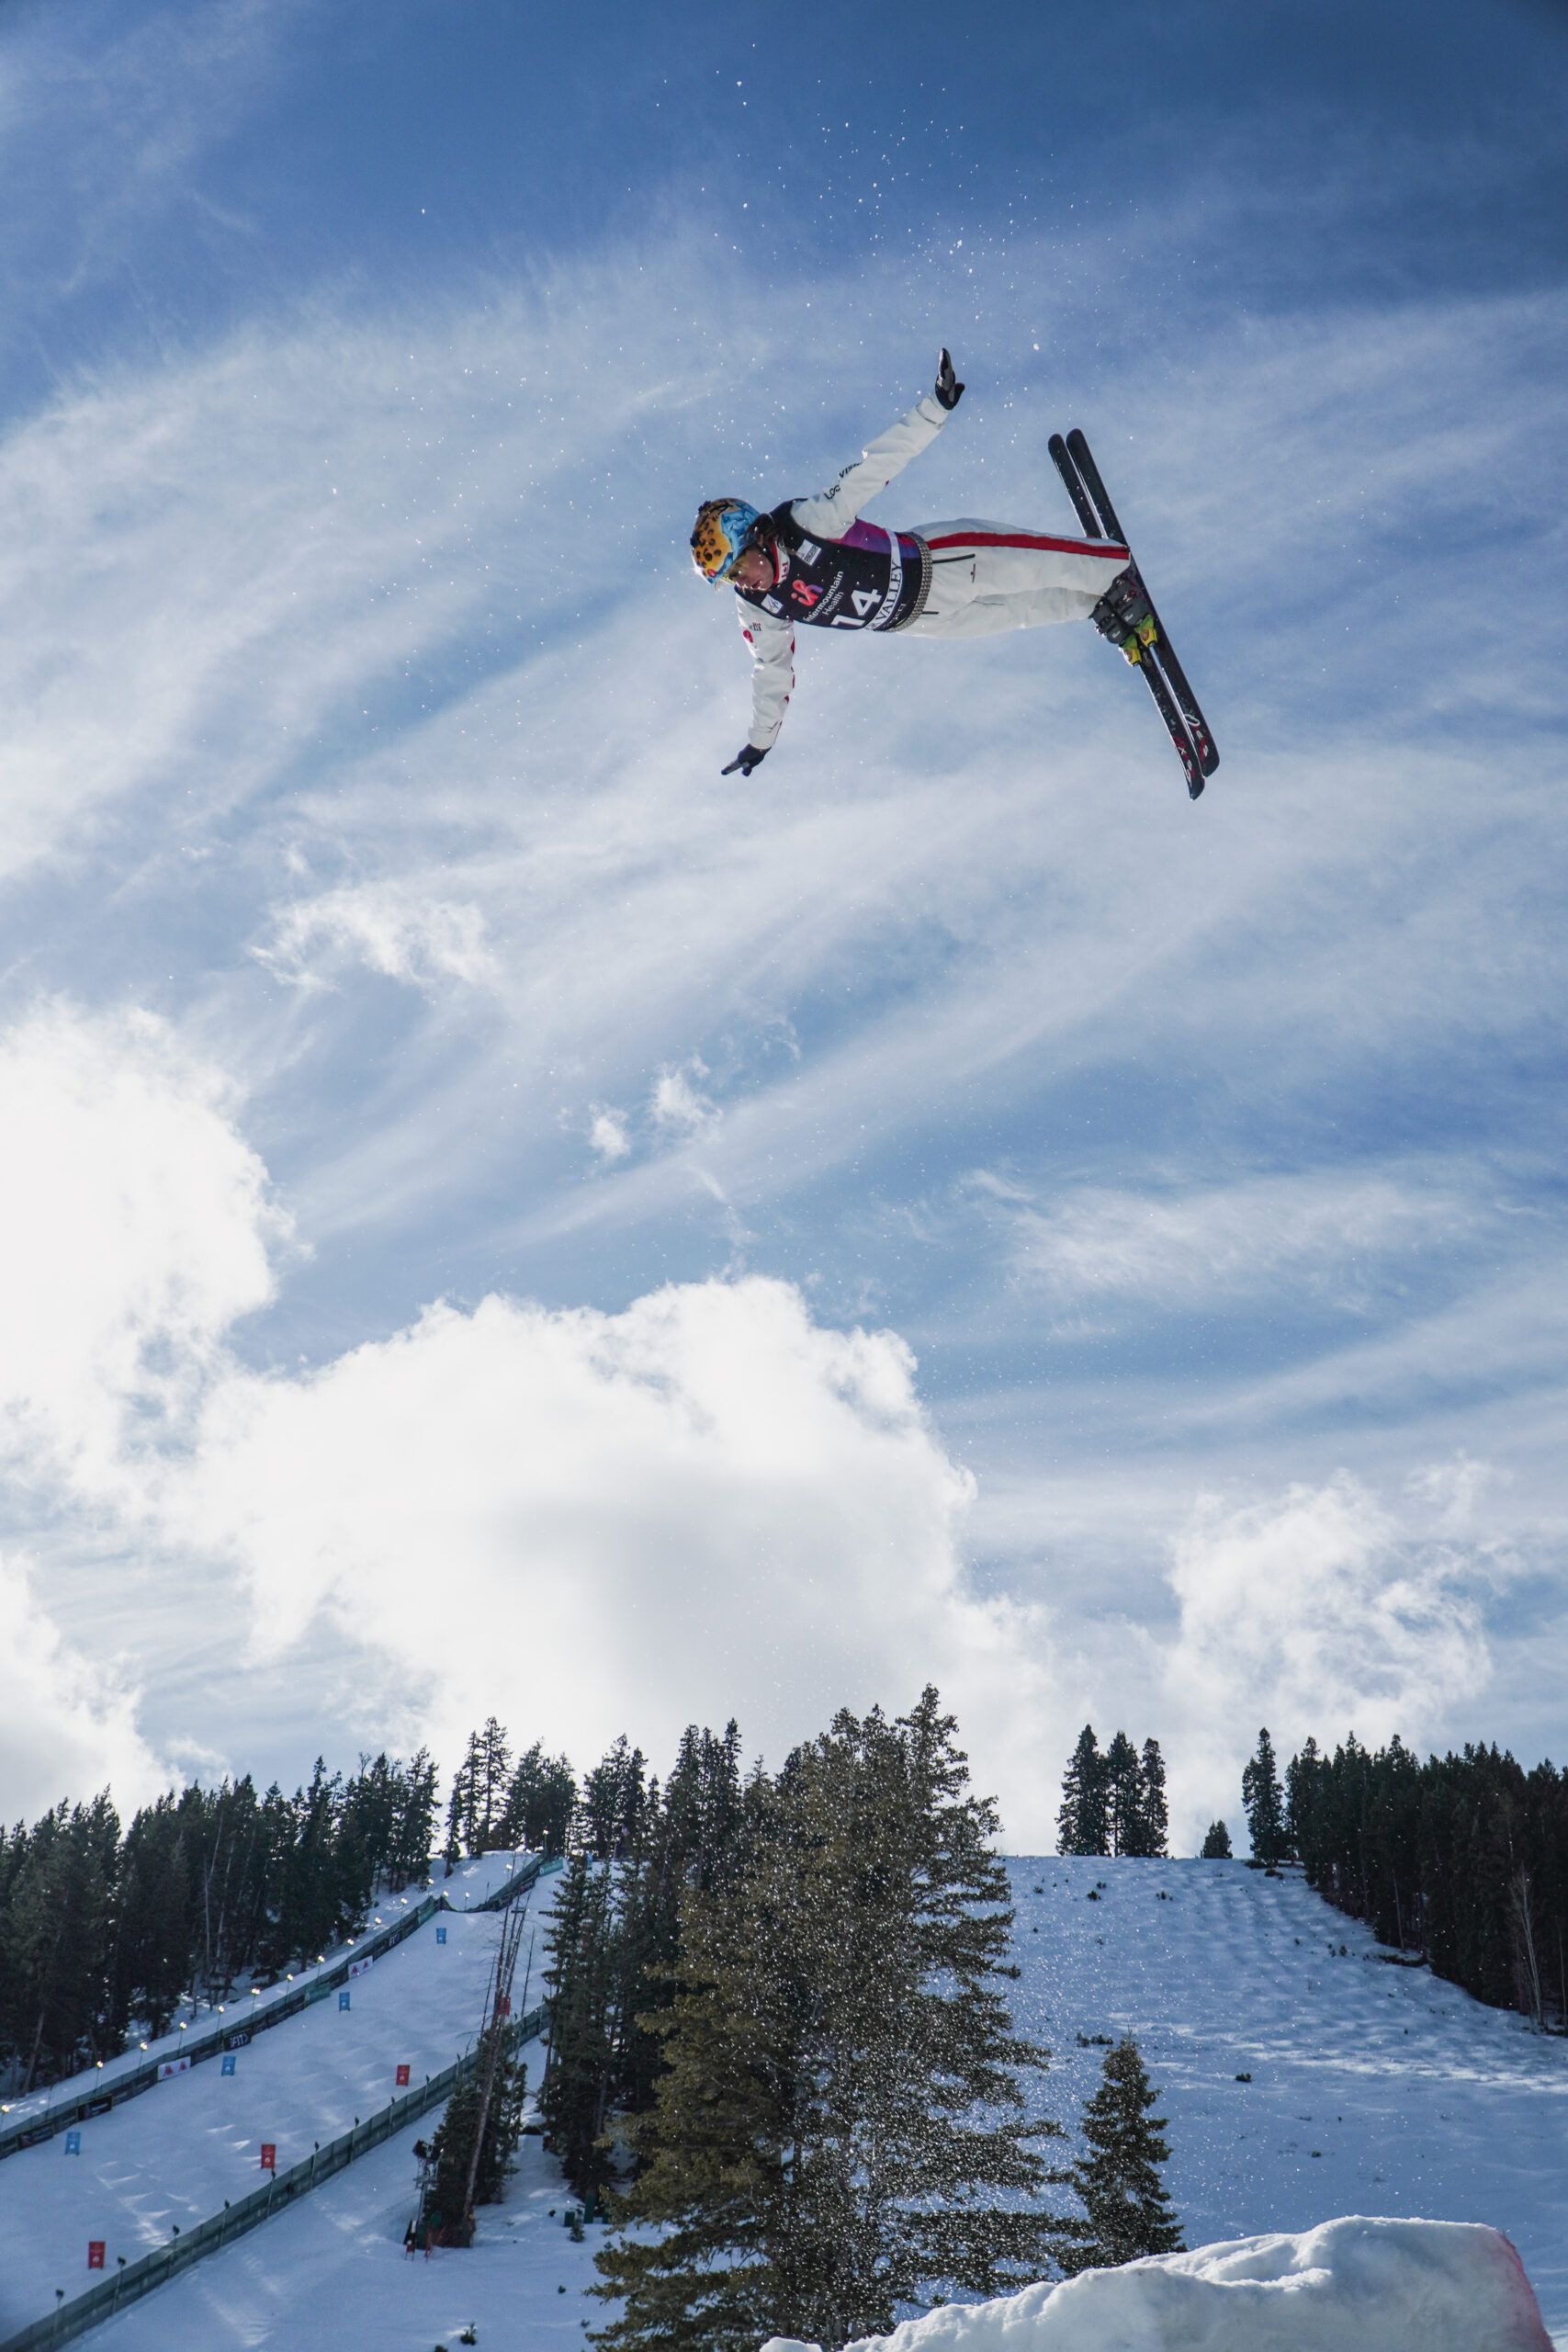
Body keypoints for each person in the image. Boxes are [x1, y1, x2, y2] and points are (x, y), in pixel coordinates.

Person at [690, 350, 1154, 775]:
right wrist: (760, 742)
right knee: (1025, 612)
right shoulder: (757, 607)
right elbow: (771, 671)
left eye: (740, 566)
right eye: (731, 579)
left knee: (1032, 564)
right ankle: (1098, 607)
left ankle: (1113, 570)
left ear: (757, 536)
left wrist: (935, 408)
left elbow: (873, 468)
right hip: (919, 621)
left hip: (940, 561)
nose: (744, 581)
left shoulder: (808, 523)